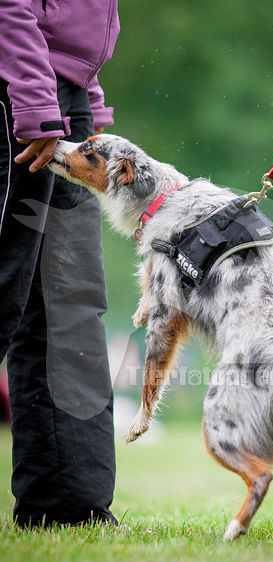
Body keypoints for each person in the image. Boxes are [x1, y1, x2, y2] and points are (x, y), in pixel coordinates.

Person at [0, 0, 120, 527]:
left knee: (68, 305)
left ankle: (67, 507)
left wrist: (86, 102)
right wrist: (32, 102)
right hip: (16, 95)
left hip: (60, 104)